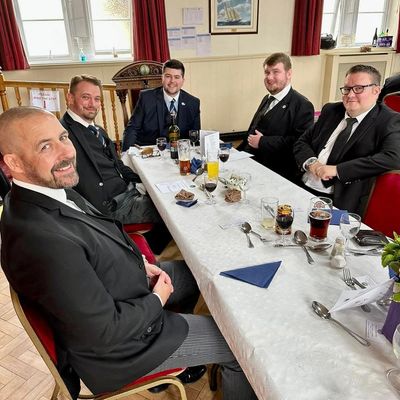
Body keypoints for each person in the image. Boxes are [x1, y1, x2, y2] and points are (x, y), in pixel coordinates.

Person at [0, 107, 257, 400]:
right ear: (14, 163)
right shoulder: (39, 240)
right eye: (45, 146)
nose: (67, 152)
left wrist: (141, 263)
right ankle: (183, 350)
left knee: (201, 273)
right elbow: (104, 332)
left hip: (124, 289)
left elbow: (103, 233)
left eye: (63, 137)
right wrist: (157, 299)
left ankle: (186, 356)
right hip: (124, 350)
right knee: (242, 350)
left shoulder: (44, 189)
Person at [60, 75, 166, 241]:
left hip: (128, 192)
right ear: (70, 98)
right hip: (112, 206)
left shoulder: (97, 130)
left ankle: (149, 243)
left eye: (97, 99)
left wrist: (147, 181)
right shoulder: (63, 135)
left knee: (166, 193)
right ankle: (143, 247)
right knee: (170, 208)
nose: (92, 104)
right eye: (86, 97)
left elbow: (118, 164)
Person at [293, 64, 400, 216]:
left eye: (358, 89)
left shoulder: (389, 120)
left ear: (376, 91)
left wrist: (337, 170)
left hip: (338, 199)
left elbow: (393, 158)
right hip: (301, 185)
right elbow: (302, 142)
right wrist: (312, 163)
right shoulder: (331, 110)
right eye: (347, 89)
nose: (350, 95)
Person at [237, 52, 314, 182]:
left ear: (289, 74)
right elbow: (252, 131)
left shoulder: (302, 105)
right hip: (250, 163)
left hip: (275, 173)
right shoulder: (267, 99)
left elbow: (300, 143)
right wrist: (235, 154)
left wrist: (262, 142)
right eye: (267, 72)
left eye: (275, 72)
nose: (269, 77)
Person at [122, 59, 201, 151]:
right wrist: (126, 153)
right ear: (162, 78)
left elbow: (195, 136)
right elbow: (132, 128)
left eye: (177, 77)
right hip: (150, 151)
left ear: (183, 80)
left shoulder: (193, 103)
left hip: (180, 153)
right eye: (168, 76)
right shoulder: (146, 98)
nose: (172, 81)